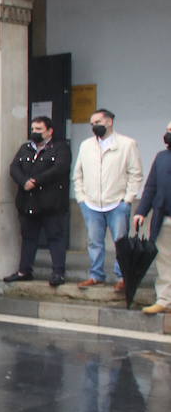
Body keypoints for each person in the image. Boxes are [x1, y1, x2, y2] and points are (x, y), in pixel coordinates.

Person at [73, 109, 143, 292]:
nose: (94, 126)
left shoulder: (127, 144)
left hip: (117, 203)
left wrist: (127, 199)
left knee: (120, 242)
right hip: (91, 203)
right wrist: (81, 198)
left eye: (98, 122)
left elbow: (135, 174)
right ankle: (96, 275)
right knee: (94, 242)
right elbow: (78, 174)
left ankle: (122, 277)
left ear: (110, 121)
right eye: (92, 124)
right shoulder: (86, 145)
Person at [5, 116, 72, 287]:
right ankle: (24, 271)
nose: (35, 132)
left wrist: (35, 181)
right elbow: (14, 167)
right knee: (28, 238)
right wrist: (23, 181)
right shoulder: (25, 148)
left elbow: (59, 168)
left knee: (55, 238)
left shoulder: (60, 148)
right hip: (28, 203)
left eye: (39, 129)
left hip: (51, 203)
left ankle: (58, 272)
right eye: (33, 129)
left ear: (49, 131)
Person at [133, 120, 171, 315]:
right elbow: (151, 187)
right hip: (163, 218)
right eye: (167, 131)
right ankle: (164, 300)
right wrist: (141, 211)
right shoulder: (162, 157)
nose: (168, 134)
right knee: (165, 261)